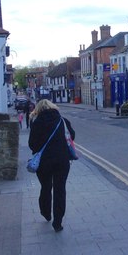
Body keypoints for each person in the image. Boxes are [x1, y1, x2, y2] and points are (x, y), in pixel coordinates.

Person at [28, 99, 76, 232]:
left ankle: (46, 212)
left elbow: (32, 144)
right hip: (62, 161)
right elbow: (72, 136)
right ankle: (58, 222)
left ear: (38, 109)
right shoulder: (62, 120)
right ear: (52, 107)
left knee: (46, 187)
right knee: (60, 190)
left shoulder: (36, 123)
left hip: (44, 163)